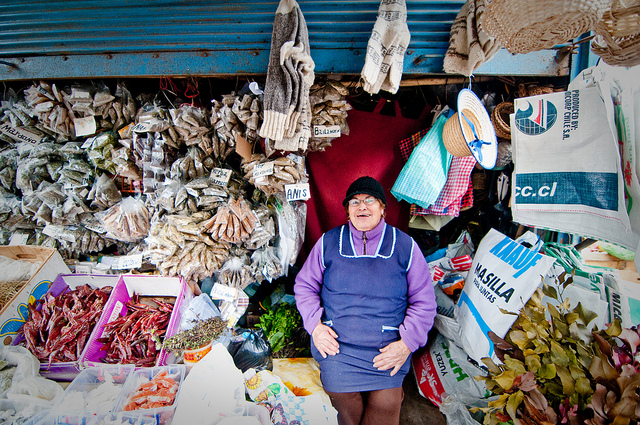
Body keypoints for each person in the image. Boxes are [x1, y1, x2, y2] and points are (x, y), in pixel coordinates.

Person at [294, 176, 437, 425]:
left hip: (387, 347)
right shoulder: (328, 242)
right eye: (354, 202)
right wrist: (315, 328)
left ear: (382, 208)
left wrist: (406, 343)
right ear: (348, 211)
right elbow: (305, 286)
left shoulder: (405, 246)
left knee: (387, 404)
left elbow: (424, 302)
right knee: (341, 400)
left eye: (370, 200)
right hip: (338, 346)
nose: (362, 207)